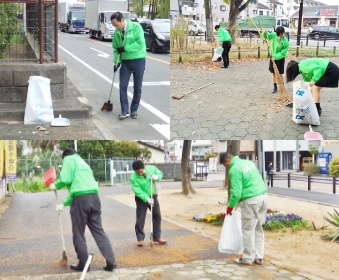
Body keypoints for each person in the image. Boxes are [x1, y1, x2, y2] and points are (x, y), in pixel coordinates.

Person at [49, 148, 117, 272]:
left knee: (78, 233)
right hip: (94, 198)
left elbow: (66, 180)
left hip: (80, 202)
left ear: (64, 156)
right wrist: (63, 204)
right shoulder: (83, 163)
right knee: (99, 231)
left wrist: (55, 185)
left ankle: (84, 264)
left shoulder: (69, 159)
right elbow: (80, 189)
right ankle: (111, 261)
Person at [220, 153, 268, 266]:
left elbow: (236, 193)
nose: (226, 169)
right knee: (258, 229)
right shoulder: (248, 163)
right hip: (263, 198)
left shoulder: (234, 169)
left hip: (251, 201)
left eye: (224, 166)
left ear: (227, 161)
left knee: (247, 230)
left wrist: (230, 206)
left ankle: (248, 258)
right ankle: (259, 257)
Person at [111, 12, 146, 120]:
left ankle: (134, 110)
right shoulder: (117, 33)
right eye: (113, 25)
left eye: (116, 24)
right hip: (125, 62)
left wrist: (125, 48)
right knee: (122, 85)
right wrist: (117, 62)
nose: (115, 27)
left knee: (137, 87)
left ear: (122, 20)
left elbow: (140, 43)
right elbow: (116, 48)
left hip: (138, 60)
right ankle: (124, 110)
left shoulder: (136, 27)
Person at [130, 160, 167, 247]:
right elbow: (137, 190)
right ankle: (140, 238)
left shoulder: (152, 168)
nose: (140, 173)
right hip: (141, 198)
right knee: (141, 217)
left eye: (141, 171)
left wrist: (157, 177)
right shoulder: (133, 177)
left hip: (153, 195)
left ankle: (156, 237)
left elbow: (160, 174)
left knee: (157, 215)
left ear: (144, 167)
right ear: (135, 170)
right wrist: (146, 198)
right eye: (138, 172)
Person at [262, 26, 290, 93]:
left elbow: (283, 53)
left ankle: (282, 86)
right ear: (277, 33)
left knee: (280, 73)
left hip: (280, 58)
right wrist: (264, 32)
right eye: (280, 34)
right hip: (272, 57)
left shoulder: (285, 41)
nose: (281, 35)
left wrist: (276, 57)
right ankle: (275, 87)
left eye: (282, 33)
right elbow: (265, 36)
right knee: (273, 73)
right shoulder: (273, 35)